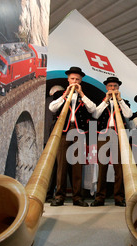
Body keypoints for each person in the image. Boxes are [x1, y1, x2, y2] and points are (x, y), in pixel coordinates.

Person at [49, 67, 96, 207]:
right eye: (72, 79)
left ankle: (77, 197)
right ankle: (59, 196)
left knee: (77, 166)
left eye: (77, 79)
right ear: (68, 80)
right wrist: (65, 95)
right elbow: (52, 108)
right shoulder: (59, 95)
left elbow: (92, 109)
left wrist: (81, 93)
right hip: (63, 132)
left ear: (80, 81)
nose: (74, 81)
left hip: (79, 133)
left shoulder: (84, 95)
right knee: (61, 166)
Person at [91, 77, 132, 207]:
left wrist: (119, 100)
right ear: (106, 88)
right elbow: (95, 115)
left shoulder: (124, 102)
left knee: (119, 168)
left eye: (115, 86)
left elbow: (129, 114)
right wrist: (105, 100)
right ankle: (100, 197)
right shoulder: (101, 101)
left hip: (119, 135)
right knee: (102, 167)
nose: (113, 88)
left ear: (118, 88)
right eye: (110, 86)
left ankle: (119, 197)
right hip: (104, 134)